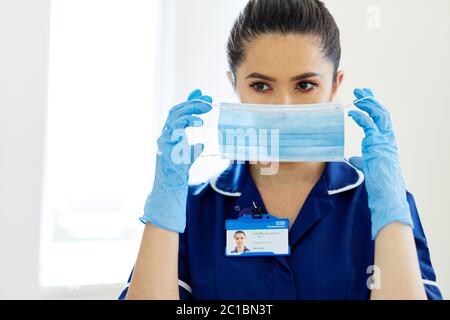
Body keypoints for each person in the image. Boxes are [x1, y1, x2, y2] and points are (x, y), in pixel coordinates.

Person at [120, 0, 442, 300]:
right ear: (234, 85)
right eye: (261, 86)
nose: (283, 106)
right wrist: (161, 218)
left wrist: (391, 218)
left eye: (305, 86)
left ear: (334, 86)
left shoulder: (381, 203)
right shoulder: (190, 210)